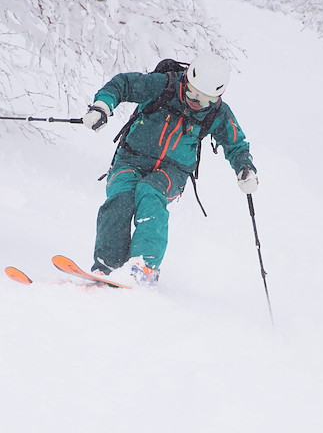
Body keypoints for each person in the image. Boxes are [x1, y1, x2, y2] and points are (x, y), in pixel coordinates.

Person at [81, 53, 258, 285]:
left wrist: (245, 168)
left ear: (217, 97)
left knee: (150, 193)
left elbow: (236, 144)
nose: (196, 102)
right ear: (186, 80)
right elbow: (123, 84)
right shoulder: (162, 86)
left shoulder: (218, 113)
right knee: (121, 197)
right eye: (192, 93)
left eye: (205, 100)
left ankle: (144, 267)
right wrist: (102, 106)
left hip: (173, 172)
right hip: (131, 159)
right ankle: (107, 266)